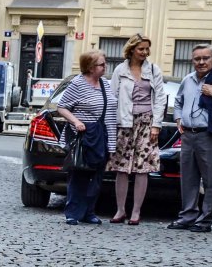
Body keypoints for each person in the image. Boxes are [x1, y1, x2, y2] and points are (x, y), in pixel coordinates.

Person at [168, 44, 212, 233]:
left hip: (210, 135)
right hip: (188, 135)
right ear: (192, 61)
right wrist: (177, 118)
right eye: (197, 59)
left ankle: (205, 220)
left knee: (210, 180)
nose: (201, 62)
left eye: (205, 58)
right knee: (188, 179)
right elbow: (178, 101)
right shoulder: (187, 80)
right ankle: (187, 216)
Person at [107, 33, 167, 225]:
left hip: (147, 122)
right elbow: (113, 97)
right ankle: (120, 210)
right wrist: (112, 124)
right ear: (132, 49)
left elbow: (160, 98)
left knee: (143, 167)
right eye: (141, 48)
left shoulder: (153, 70)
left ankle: (136, 212)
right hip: (124, 122)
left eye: (147, 49)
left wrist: (156, 125)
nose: (144, 52)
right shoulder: (120, 70)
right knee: (121, 168)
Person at [54, 51, 117, 225]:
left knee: (97, 177)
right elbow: (62, 107)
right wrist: (76, 122)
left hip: (102, 136)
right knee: (79, 174)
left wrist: (112, 145)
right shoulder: (78, 84)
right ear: (90, 67)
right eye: (101, 65)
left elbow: (111, 114)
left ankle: (89, 212)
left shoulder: (105, 84)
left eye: (105, 64)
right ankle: (73, 212)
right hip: (84, 136)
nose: (105, 67)